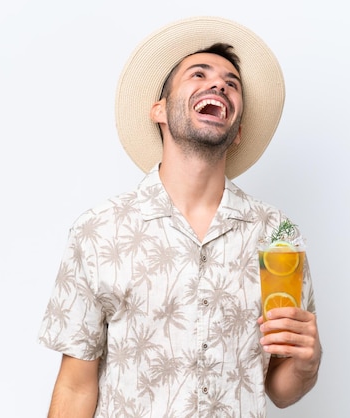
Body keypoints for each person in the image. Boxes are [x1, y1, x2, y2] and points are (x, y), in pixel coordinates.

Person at [38, 16, 322, 418]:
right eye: (198, 74)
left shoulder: (278, 235)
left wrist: (307, 362)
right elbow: (74, 386)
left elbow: (280, 387)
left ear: (237, 130)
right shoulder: (99, 231)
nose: (219, 84)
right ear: (159, 110)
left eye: (231, 83)